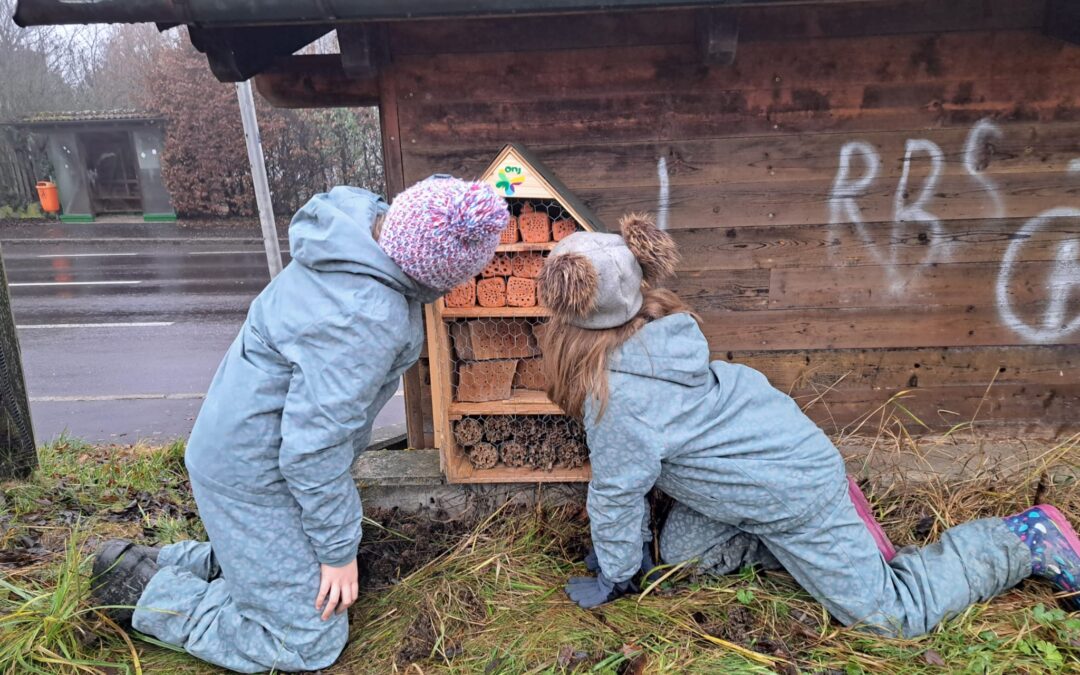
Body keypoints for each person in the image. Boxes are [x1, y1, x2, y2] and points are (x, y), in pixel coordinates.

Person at [536, 212, 1080, 636]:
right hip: (755, 486)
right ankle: (835, 552)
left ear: (572, 312)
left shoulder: (619, 398)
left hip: (794, 495)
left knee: (893, 616)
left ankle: (1025, 539)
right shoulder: (663, 334)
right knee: (681, 557)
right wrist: (625, 554)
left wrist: (616, 574)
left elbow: (616, 495)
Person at [90, 177, 509, 672]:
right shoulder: (363, 317)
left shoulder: (353, 232)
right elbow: (312, 452)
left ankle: (189, 562)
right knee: (308, 639)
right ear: (436, 274)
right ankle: (146, 592)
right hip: (254, 475)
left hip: (248, 449)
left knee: (293, 560)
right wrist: (337, 552)